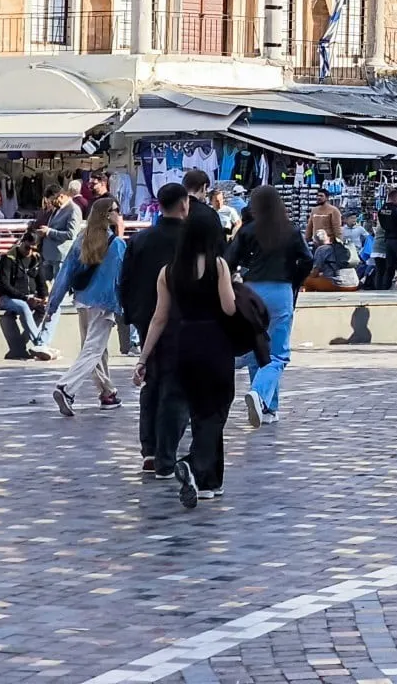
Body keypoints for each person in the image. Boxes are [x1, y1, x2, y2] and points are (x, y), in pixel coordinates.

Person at [135, 204, 237, 507]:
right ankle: (193, 463)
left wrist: (143, 358)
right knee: (215, 412)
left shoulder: (168, 271)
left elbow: (159, 317)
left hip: (182, 344)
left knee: (198, 412)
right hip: (215, 343)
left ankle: (210, 482)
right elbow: (229, 307)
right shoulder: (218, 265)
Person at [226, 186, 312, 428]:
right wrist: (294, 280)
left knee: (257, 348)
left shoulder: (248, 231)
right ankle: (261, 395)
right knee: (278, 354)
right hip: (280, 289)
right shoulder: (291, 231)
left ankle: (268, 406)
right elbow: (307, 260)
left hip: (252, 291)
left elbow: (228, 260)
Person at [119, 183, 188, 472]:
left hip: (146, 317)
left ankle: (149, 448)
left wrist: (132, 314)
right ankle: (165, 449)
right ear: (184, 204)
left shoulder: (141, 239)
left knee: (153, 383)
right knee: (177, 387)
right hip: (183, 321)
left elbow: (125, 279)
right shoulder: (190, 241)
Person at [49, 198, 127, 416]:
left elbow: (65, 274)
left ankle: (107, 394)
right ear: (107, 215)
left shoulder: (82, 240)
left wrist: (52, 305)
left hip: (83, 301)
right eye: (116, 210)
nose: (119, 213)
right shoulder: (118, 245)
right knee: (93, 351)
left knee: (95, 351)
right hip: (105, 303)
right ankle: (67, 387)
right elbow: (123, 278)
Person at [0, 228, 50, 358]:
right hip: (8, 298)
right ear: (22, 242)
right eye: (27, 247)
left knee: (49, 308)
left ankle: (33, 344)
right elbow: (5, 285)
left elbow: (41, 281)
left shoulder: (36, 259)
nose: (29, 251)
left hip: (29, 297)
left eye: (33, 249)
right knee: (23, 307)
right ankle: (40, 343)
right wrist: (25, 298)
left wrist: (44, 297)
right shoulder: (8, 258)